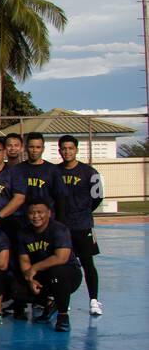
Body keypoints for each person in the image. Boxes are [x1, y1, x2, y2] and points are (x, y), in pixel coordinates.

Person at [14, 202, 82, 333]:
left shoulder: (59, 229)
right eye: (32, 213)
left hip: (68, 275)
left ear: (49, 213)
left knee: (57, 271)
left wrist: (34, 268)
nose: (35, 216)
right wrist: (30, 280)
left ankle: (63, 316)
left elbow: (61, 258)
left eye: (40, 212)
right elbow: (24, 260)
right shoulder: (24, 233)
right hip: (43, 275)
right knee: (16, 285)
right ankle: (48, 305)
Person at [58, 134, 103, 315]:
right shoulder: (55, 171)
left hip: (83, 226)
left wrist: (83, 212)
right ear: (60, 150)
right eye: (64, 148)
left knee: (87, 263)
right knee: (63, 264)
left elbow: (98, 198)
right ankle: (63, 299)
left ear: (76, 150)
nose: (67, 151)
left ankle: (94, 301)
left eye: (71, 148)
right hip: (62, 227)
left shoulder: (90, 173)